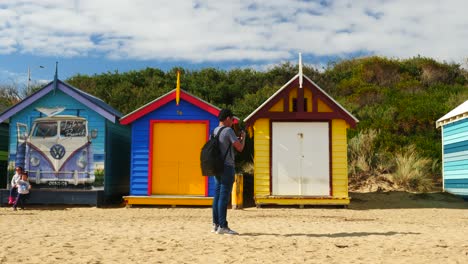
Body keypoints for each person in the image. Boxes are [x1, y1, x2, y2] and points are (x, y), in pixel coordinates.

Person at [211, 109, 245, 235]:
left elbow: (222, 144)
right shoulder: (228, 131)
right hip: (227, 166)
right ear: (227, 118)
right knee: (224, 197)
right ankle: (223, 226)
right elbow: (240, 148)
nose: (232, 122)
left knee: (218, 195)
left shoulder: (214, 131)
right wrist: (243, 138)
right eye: (232, 119)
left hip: (216, 166)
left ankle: (215, 225)